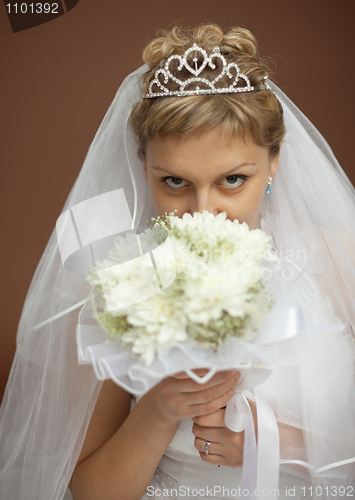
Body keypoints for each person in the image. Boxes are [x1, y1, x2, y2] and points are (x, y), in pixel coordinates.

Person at [0, 24, 354, 500]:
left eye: (232, 179)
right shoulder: (116, 284)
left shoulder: (339, 255)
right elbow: (90, 491)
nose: (203, 210)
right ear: (143, 168)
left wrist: (279, 445)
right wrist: (158, 410)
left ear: (273, 164)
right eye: (173, 182)